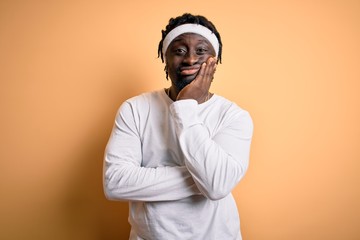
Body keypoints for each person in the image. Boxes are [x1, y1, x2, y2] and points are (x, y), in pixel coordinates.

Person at [103, 13, 254, 240]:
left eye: (201, 51)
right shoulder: (134, 109)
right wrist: (203, 179)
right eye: (179, 50)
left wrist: (185, 108)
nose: (190, 59)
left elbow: (217, 184)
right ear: (165, 58)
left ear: (215, 60)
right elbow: (115, 183)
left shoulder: (234, 116)